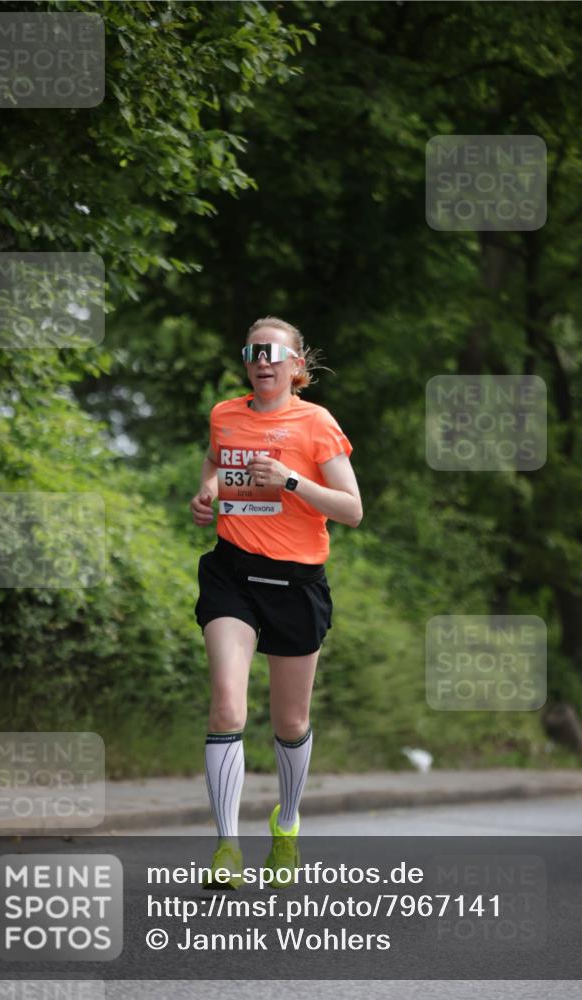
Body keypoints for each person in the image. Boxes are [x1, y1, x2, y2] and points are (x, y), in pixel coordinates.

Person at [190, 316, 362, 889]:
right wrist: (209, 489)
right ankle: (226, 848)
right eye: (252, 351)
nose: (262, 361)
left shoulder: (316, 424)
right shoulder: (225, 414)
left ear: (296, 366)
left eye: (273, 353)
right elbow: (216, 461)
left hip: (296, 584)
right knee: (227, 709)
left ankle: (286, 822)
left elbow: (351, 509)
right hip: (232, 575)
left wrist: (289, 481)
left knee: (290, 722)